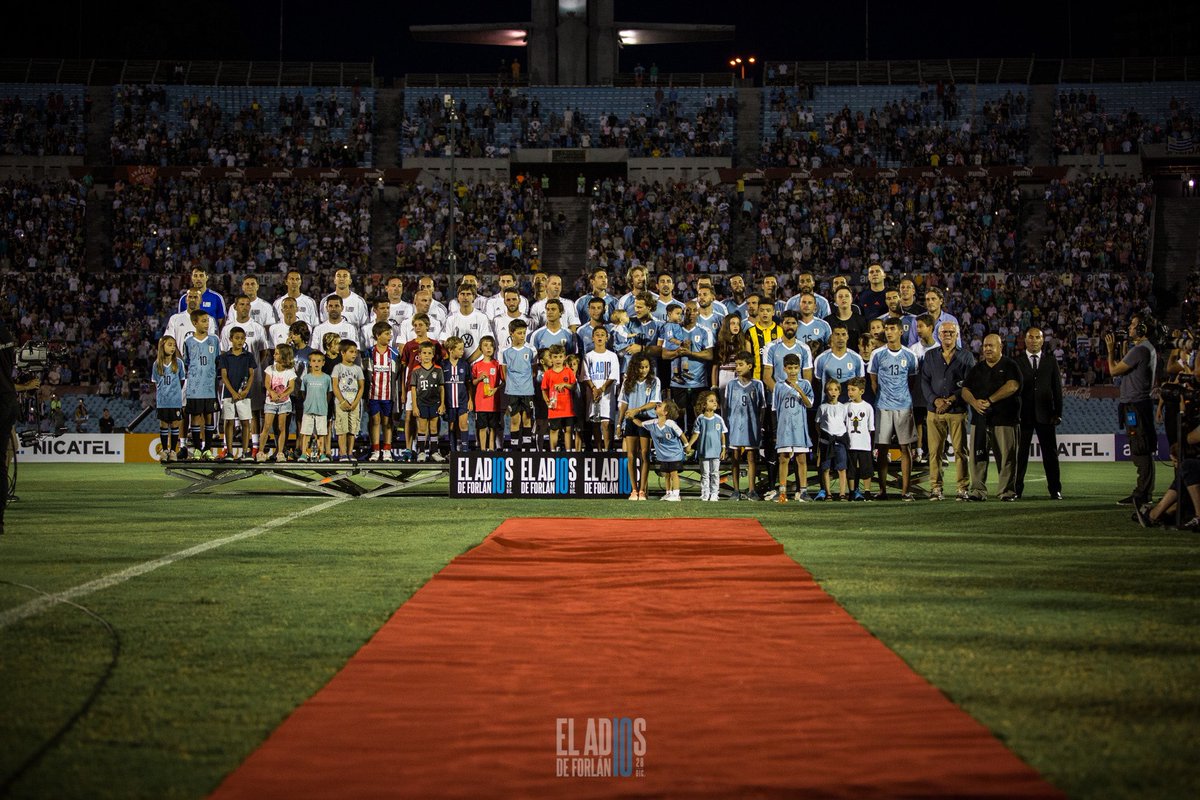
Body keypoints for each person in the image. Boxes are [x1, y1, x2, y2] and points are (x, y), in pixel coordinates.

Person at [961, 334, 1023, 502]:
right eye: (985, 346)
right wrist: (974, 403)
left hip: (1005, 420)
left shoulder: (1010, 365)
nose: (987, 349)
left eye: (991, 346)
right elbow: (965, 390)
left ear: (1000, 347)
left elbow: (1012, 386)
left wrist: (990, 400)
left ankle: (1006, 492)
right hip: (980, 421)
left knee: (1007, 458)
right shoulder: (978, 368)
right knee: (977, 457)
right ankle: (977, 491)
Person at [920, 321, 976, 501]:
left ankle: (962, 488)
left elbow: (970, 383)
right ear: (939, 335)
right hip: (934, 410)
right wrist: (934, 400)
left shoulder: (966, 356)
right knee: (934, 452)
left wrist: (950, 400)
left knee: (960, 451)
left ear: (957, 335)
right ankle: (936, 488)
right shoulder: (930, 356)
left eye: (951, 332)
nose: (948, 335)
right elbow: (924, 381)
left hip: (957, 410)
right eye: (944, 332)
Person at [1106, 316, 1157, 509]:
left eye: (1134, 325)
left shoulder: (1140, 349)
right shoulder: (1146, 348)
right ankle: (1144, 492)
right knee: (1142, 447)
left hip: (1135, 405)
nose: (1129, 327)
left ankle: (1142, 493)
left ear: (1143, 329)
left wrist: (1110, 351)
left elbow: (1113, 371)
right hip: (1139, 404)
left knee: (1140, 447)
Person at [868, 318, 920, 501]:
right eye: (887, 329)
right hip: (883, 406)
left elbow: (912, 381)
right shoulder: (877, 354)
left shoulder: (910, 355)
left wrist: (901, 396)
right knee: (882, 449)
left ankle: (906, 491)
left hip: (904, 406)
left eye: (892, 329)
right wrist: (883, 397)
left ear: (900, 332)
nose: (888, 332)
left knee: (906, 447)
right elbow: (873, 381)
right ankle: (882, 490)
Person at [1015, 327, 1064, 500]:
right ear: (1025, 340)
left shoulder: (1051, 361)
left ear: (1042, 340)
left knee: (1050, 455)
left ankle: (1055, 489)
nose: (1034, 340)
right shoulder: (1017, 361)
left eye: (1037, 337)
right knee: (1020, 455)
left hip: (1046, 415)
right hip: (1023, 416)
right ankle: (1016, 489)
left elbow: (1057, 389)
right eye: (1031, 337)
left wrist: (1058, 413)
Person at [618, 353, 661, 501]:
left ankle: (642, 490)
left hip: (647, 420)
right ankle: (634, 490)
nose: (644, 370)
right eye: (641, 367)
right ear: (635, 368)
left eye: (646, 367)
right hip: (631, 419)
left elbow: (654, 403)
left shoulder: (654, 381)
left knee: (644, 454)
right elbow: (623, 404)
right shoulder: (627, 381)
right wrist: (619, 423)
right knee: (631, 455)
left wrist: (637, 410)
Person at [773, 353, 815, 503]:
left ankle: (803, 491)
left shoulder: (805, 384)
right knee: (783, 458)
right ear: (784, 368)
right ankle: (782, 492)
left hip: (799, 428)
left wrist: (799, 390)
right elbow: (775, 408)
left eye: (795, 368)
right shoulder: (779, 386)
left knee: (801, 458)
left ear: (799, 368)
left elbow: (809, 404)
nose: (792, 371)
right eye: (790, 368)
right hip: (784, 428)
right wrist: (776, 431)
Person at [724, 351, 766, 501]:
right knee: (735, 457)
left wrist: (760, 425)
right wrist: (727, 426)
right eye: (736, 365)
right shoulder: (731, 385)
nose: (738, 368)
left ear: (750, 365)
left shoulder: (757, 384)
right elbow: (726, 406)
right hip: (735, 424)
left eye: (741, 365)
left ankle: (752, 490)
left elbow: (762, 407)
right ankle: (735, 490)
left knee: (751, 457)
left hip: (751, 424)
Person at [183, 310, 221, 459]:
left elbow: (217, 360)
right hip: (194, 388)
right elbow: (187, 362)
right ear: (195, 323)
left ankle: (208, 448)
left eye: (207, 321)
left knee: (209, 416)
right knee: (195, 417)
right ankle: (198, 449)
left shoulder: (214, 340)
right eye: (203, 321)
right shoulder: (188, 342)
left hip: (209, 387)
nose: (206, 324)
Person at [633, 400, 686, 501]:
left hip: (674, 454)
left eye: (660, 406)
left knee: (674, 474)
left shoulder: (670, 423)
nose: (657, 406)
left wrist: (687, 445)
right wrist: (631, 417)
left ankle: (676, 495)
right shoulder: (653, 423)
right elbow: (640, 424)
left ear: (665, 412)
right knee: (666, 475)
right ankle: (668, 493)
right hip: (663, 456)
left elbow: (681, 434)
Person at [219, 327, 256, 460]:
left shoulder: (249, 356)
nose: (240, 341)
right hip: (229, 394)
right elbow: (224, 376)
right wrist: (233, 392)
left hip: (244, 395)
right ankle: (229, 452)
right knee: (229, 422)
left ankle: (245, 452)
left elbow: (251, 374)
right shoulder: (224, 357)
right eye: (237, 338)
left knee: (245, 422)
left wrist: (246, 390)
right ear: (231, 339)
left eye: (242, 338)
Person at [501, 319, 538, 450]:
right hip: (512, 391)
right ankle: (515, 450)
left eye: (524, 333)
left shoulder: (531, 349)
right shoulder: (505, 351)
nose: (522, 336)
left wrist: (525, 383)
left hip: (527, 391)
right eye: (519, 333)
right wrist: (512, 384)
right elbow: (504, 371)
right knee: (515, 420)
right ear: (511, 333)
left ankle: (527, 448)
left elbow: (534, 371)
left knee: (527, 419)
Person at [686, 390, 728, 502]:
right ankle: (705, 493)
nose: (715, 403)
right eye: (711, 401)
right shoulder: (700, 419)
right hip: (704, 451)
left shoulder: (719, 419)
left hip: (716, 451)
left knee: (715, 473)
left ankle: (715, 493)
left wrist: (723, 448)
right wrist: (689, 445)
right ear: (704, 404)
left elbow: (722, 435)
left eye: (715, 401)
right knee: (705, 474)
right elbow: (696, 434)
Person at [583, 327, 620, 451]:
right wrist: (594, 388)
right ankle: (599, 451)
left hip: (607, 396)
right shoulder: (588, 356)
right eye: (597, 334)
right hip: (592, 395)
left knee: (606, 424)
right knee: (595, 423)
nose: (600, 337)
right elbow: (585, 375)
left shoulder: (612, 356)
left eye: (602, 334)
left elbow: (613, 375)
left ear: (606, 338)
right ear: (593, 338)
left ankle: (607, 451)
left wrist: (602, 389)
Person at [365, 322, 397, 462]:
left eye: (390, 333)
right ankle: (376, 450)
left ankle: (387, 450)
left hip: (388, 394)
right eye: (387, 334)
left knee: (387, 422)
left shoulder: (394, 353)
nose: (390, 336)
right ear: (378, 335)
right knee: (375, 421)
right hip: (373, 394)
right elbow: (366, 373)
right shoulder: (369, 353)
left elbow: (397, 374)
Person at [410, 341, 446, 463]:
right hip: (421, 402)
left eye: (429, 353)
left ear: (433, 355)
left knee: (434, 428)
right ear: (419, 355)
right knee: (422, 427)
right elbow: (413, 389)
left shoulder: (438, 370)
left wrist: (442, 404)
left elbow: (442, 388)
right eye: (424, 353)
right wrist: (415, 406)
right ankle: (421, 451)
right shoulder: (416, 370)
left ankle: (434, 452)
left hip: (434, 402)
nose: (426, 355)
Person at [260, 343, 296, 462]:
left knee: (281, 427)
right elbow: (267, 383)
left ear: (283, 356)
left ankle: (280, 452)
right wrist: (272, 392)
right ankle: (260, 451)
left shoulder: (290, 371)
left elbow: (291, 387)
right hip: (270, 402)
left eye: (276, 353)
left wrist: (281, 395)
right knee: (266, 426)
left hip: (284, 403)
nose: (274, 355)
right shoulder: (270, 369)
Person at [815, 379, 850, 501]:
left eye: (835, 389)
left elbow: (845, 422)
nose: (833, 392)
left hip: (840, 442)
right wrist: (823, 436)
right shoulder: (822, 407)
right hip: (826, 443)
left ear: (839, 392)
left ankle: (842, 493)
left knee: (842, 468)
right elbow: (817, 424)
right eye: (830, 389)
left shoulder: (843, 407)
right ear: (826, 392)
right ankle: (828, 492)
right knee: (825, 468)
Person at [152, 335, 184, 462]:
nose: (172, 348)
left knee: (175, 425)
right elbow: (156, 383)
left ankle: (173, 451)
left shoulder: (179, 363)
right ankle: (165, 450)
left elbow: (182, 381)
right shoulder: (156, 364)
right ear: (162, 346)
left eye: (174, 345)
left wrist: (175, 393)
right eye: (169, 345)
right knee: (164, 425)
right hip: (162, 402)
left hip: (175, 401)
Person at [332, 340, 365, 463]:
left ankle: (350, 452)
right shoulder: (338, 368)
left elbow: (361, 387)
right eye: (351, 352)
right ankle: (343, 453)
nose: (354, 354)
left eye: (355, 352)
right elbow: (335, 385)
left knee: (352, 429)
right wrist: (342, 401)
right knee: (342, 429)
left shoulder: (358, 369)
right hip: (341, 404)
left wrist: (355, 402)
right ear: (343, 352)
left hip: (354, 404)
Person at [844, 377, 876, 501]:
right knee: (851, 470)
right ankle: (852, 492)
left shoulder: (867, 407)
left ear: (861, 391)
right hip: (850, 444)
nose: (850, 392)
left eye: (853, 390)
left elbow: (870, 428)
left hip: (864, 444)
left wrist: (871, 445)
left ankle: (867, 492)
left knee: (866, 469)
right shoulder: (846, 406)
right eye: (848, 390)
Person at [297, 352, 332, 463]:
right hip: (308, 410)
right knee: (306, 433)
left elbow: (329, 393)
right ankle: (303, 454)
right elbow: (303, 392)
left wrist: (324, 403)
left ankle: (322, 454)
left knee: (321, 434)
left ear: (323, 363)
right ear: (310, 363)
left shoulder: (327, 378)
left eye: (319, 361)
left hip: (322, 410)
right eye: (313, 361)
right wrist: (308, 402)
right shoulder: (306, 378)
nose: (316, 363)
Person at [441, 337, 473, 453]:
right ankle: (453, 452)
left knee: (463, 423)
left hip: (462, 400)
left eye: (462, 349)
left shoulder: (464, 365)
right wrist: (442, 403)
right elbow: (441, 386)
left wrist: (470, 400)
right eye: (459, 349)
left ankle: (464, 450)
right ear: (450, 350)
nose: (462, 351)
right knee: (452, 425)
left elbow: (468, 383)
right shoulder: (443, 365)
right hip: (449, 401)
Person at [471, 336, 502, 451]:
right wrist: (479, 378)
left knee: (493, 427)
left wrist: (496, 389)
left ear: (494, 348)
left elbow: (503, 382)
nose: (488, 348)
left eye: (491, 346)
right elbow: (472, 382)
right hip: (481, 403)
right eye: (485, 345)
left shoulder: (497, 365)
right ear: (480, 349)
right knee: (482, 427)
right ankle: (483, 450)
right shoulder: (477, 365)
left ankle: (492, 449)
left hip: (494, 403)